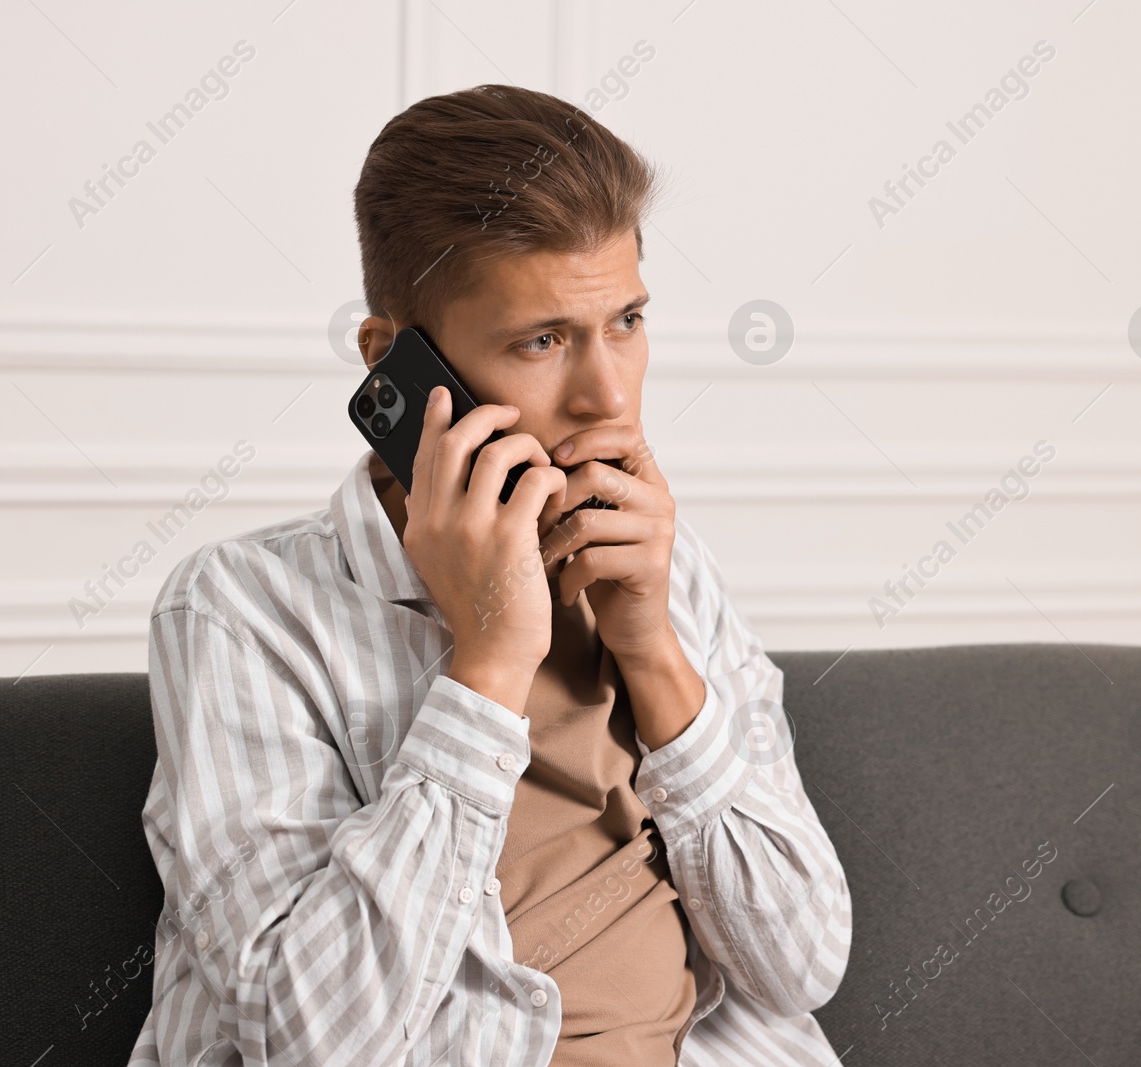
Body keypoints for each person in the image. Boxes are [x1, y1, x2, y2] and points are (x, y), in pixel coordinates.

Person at [128, 83, 851, 1066]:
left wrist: (651, 647)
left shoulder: (665, 576)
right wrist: (490, 662)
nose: (608, 395)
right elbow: (305, 1040)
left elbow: (799, 966)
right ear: (398, 365)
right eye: (542, 340)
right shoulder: (243, 609)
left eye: (627, 321)